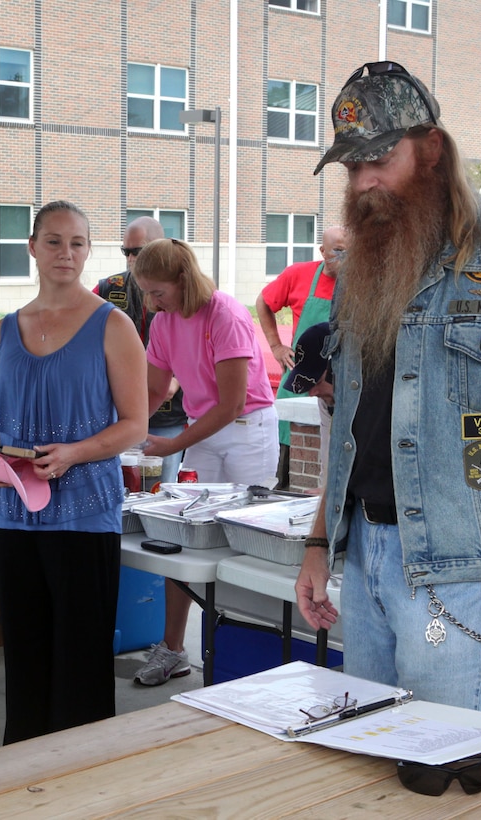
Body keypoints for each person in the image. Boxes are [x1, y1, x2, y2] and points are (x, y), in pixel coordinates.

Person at [294, 61, 481, 717]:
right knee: (371, 765)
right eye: (351, 166)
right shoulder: (361, 271)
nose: (364, 180)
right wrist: (320, 544)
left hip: (469, 576)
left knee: (450, 784)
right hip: (368, 563)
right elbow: (350, 427)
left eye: (379, 157)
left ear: (431, 150)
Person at [0, 200, 148, 743]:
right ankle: (22, 774)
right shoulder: (2, 333)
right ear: (32, 247)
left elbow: (136, 425)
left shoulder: (112, 325)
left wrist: (73, 452)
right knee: (25, 660)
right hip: (15, 518)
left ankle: (83, 781)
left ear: (88, 250)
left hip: (84, 518)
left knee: (80, 666)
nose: (65, 254)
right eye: (53, 241)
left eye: (76, 243)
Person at [131, 238, 280, 685]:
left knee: (250, 542)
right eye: (146, 293)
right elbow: (154, 391)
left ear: (183, 280)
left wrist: (173, 445)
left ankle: (253, 648)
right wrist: (124, 426)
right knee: (183, 539)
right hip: (204, 429)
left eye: (158, 292)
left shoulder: (226, 314)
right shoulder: (163, 323)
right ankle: (173, 648)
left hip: (247, 431)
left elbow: (232, 403)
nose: (152, 303)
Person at [93, 216, 187, 485]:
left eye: (139, 250)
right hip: (118, 415)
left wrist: (177, 380)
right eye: (127, 251)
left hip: (168, 415)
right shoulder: (107, 288)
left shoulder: (182, 291)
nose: (132, 258)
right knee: (122, 487)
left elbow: (197, 348)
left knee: (161, 489)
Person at [257, 225, 347, 486]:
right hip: (303, 377)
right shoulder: (299, 274)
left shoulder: (364, 282)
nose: (345, 259)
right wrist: (275, 346)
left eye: (351, 253)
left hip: (339, 383)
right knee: (288, 464)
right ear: (322, 251)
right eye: (338, 252)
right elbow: (263, 302)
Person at [282, 322, 334, 484]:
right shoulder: (327, 402)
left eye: (317, 383)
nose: (312, 393)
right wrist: (324, 491)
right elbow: (328, 456)